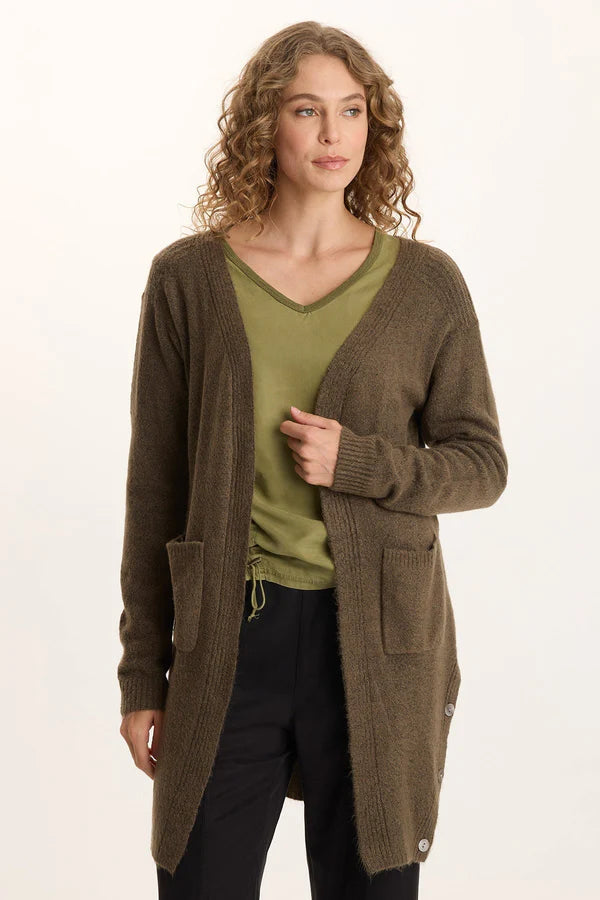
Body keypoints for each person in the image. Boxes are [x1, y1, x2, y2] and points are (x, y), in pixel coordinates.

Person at [117, 20, 508, 900]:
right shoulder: (190, 279)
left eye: (352, 110)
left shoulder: (425, 284)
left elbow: (482, 463)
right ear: (266, 125)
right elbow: (154, 490)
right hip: (228, 639)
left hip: (375, 642)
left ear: (375, 125)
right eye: (306, 110)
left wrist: (360, 464)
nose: (334, 134)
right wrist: (143, 673)